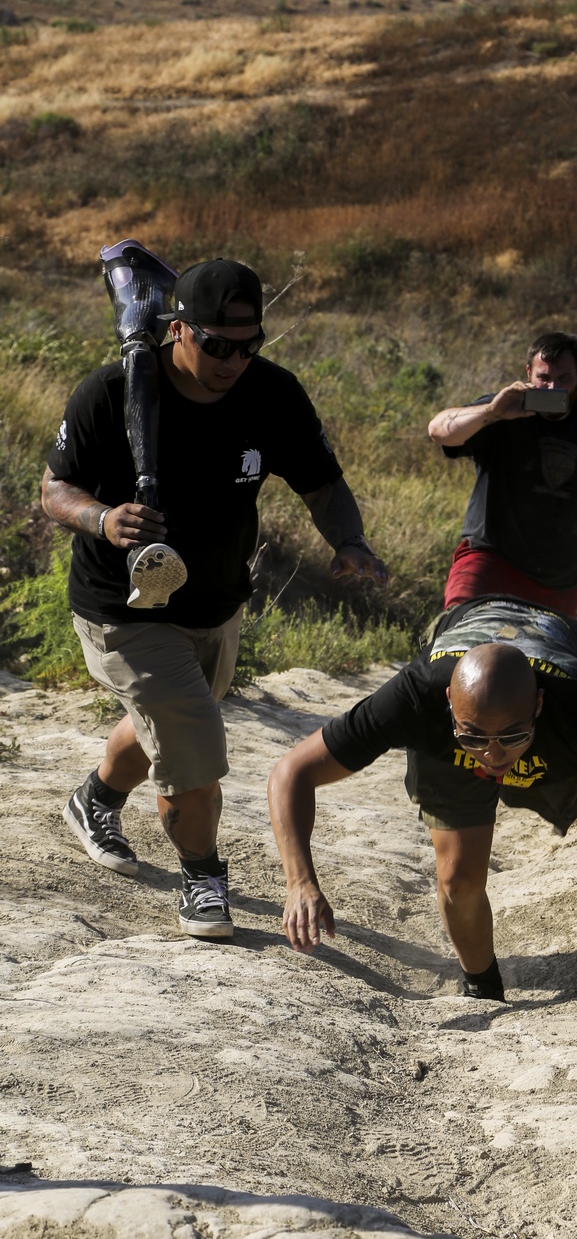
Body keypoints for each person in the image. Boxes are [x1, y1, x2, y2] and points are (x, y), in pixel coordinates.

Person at [43, 256, 387, 941]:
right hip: (126, 606)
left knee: (173, 721)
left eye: (250, 344)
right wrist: (104, 520)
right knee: (193, 744)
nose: (235, 359)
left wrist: (348, 539)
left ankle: (96, 799)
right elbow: (55, 490)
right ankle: (203, 876)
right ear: (177, 330)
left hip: (216, 603)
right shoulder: (112, 392)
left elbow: (320, 482)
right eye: (218, 344)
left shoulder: (272, 395)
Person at [268, 595, 577, 999]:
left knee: (546, 774)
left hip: (562, 659)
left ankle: (508, 741)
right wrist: (299, 883)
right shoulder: (416, 696)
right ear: (449, 703)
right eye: (474, 738)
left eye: (511, 737)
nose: (492, 756)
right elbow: (291, 772)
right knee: (458, 880)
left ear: (537, 706)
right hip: (467, 646)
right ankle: (482, 983)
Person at [427, 332, 577, 618]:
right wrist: (491, 413)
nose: (553, 388)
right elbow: (438, 430)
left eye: (565, 379)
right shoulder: (503, 408)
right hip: (491, 561)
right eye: (544, 378)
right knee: (458, 641)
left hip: (561, 578)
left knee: (547, 661)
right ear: (528, 373)